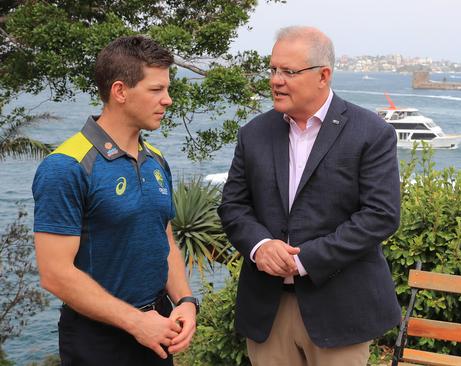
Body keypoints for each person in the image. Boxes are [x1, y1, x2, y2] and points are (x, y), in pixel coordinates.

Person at [218, 26, 401, 365]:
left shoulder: (371, 133)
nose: (275, 80)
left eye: (288, 71)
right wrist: (261, 247)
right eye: (272, 69)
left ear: (323, 75)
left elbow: (381, 215)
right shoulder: (253, 134)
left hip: (340, 311)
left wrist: (304, 259)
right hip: (268, 312)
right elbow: (233, 205)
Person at [32, 35, 198, 366]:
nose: (168, 100)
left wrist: (186, 301)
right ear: (120, 91)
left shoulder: (156, 160)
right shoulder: (66, 166)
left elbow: (163, 239)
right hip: (97, 343)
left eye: (167, 89)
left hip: (157, 330)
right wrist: (137, 323)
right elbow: (54, 273)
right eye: (156, 90)